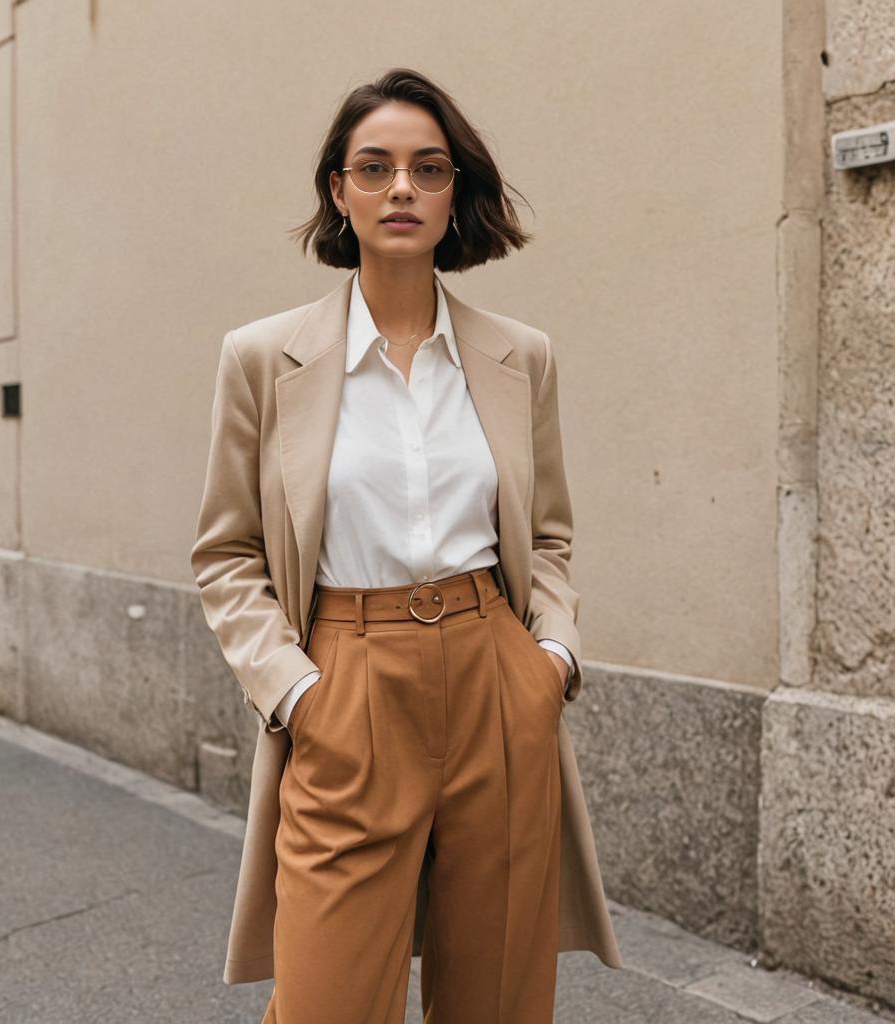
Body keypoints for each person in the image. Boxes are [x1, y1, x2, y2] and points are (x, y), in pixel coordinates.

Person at [190, 66, 622, 1024]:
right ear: (338, 192)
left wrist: (548, 660)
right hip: (348, 680)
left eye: (429, 169)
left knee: (498, 997)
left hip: (495, 681)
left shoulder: (519, 355)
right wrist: (299, 692)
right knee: (326, 1002)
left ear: (456, 194)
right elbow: (227, 555)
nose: (401, 189)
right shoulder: (265, 359)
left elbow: (547, 534)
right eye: (374, 166)